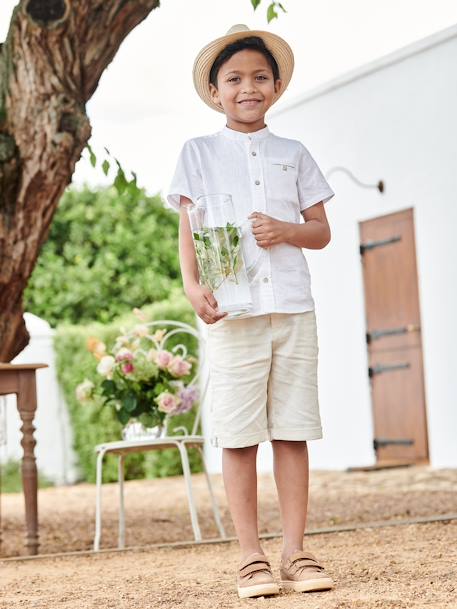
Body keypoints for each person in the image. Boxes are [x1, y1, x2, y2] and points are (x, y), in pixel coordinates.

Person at [167, 24, 335, 600]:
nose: (248, 87)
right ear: (215, 91)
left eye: (259, 77)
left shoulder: (295, 154)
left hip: (292, 309)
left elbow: (322, 231)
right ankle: (250, 558)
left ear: (277, 85)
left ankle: (297, 550)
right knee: (239, 436)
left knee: (293, 432)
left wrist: (287, 230)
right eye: (234, 79)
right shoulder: (198, 153)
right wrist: (192, 288)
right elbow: (187, 229)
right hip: (233, 312)